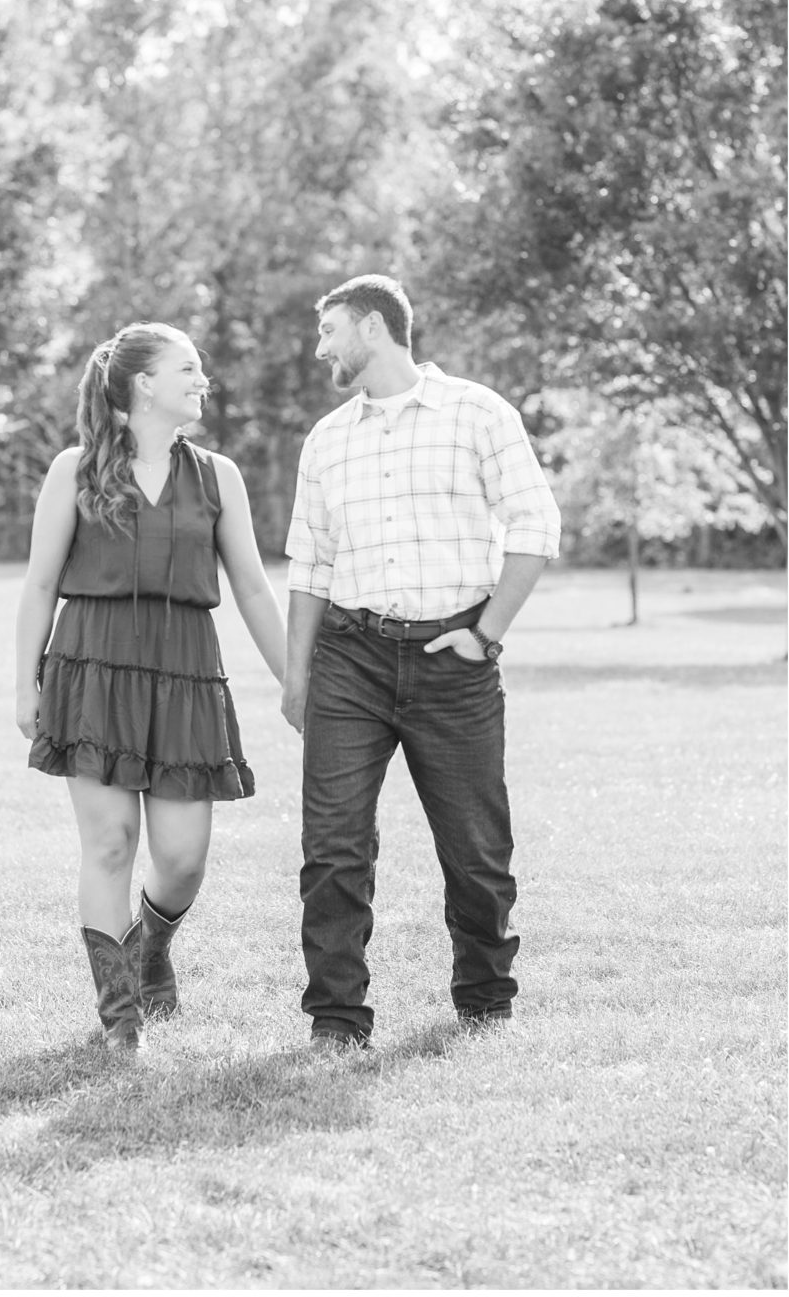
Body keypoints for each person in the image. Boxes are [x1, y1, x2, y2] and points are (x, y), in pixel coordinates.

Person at [282, 275, 560, 1052]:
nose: (322, 346)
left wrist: (487, 634)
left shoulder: (478, 413)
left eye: (330, 329)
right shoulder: (327, 439)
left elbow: (536, 525)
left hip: (453, 663)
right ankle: (336, 1020)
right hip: (349, 660)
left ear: (373, 328)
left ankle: (485, 1003)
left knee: (475, 848)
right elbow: (309, 564)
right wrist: (298, 676)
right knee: (333, 849)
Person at [16, 322, 285, 1054]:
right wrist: (23, 684)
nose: (204, 382)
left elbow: (256, 592)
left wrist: (297, 680)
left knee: (183, 857)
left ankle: (152, 945)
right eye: (189, 369)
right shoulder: (74, 469)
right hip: (92, 669)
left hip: (186, 676)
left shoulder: (218, 475)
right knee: (110, 843)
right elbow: (40, 584)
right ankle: (120, 1018)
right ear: (143, 384)